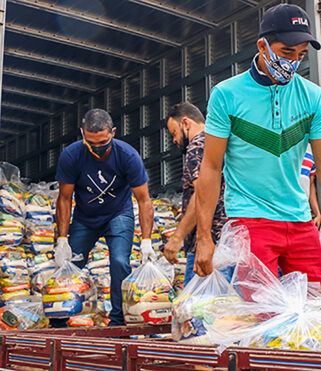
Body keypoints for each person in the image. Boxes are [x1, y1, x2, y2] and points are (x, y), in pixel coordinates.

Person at [195, 4, 321, 295]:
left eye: (300, 55)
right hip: (250, 218)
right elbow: (210, 167)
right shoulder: (226, 95)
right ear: (262, 45)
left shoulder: (313, 98)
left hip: (299, 220)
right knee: (265, 314)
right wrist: (204, 237)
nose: (294, 62)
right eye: (286, 53)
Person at [54, 108, 155, 326]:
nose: (98, 149)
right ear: (83, 134)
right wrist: (62, 239)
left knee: (119, 261)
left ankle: (118, 320)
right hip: (85, 218)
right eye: (92, 143)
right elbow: (64, 198)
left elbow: (144, 199)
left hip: (118, 214)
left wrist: (147, 240)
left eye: (103, 142)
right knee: (70, 265)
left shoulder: (127, 156)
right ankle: (60, 320)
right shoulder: (72, 156)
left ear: (113, 133)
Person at [162, 102, 229, 286]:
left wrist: (177, 239)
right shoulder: (221, 143)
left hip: (207, 247)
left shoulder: (197, 146)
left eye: (174, 132)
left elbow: (201, 193)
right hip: (229, 244)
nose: (174, 140)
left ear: (186, 123)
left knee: (196, 309)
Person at [300, 148, 321, 229]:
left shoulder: (311, 151)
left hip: (304, 214)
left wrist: (317, 214)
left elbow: (310, 184)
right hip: (280, 215)